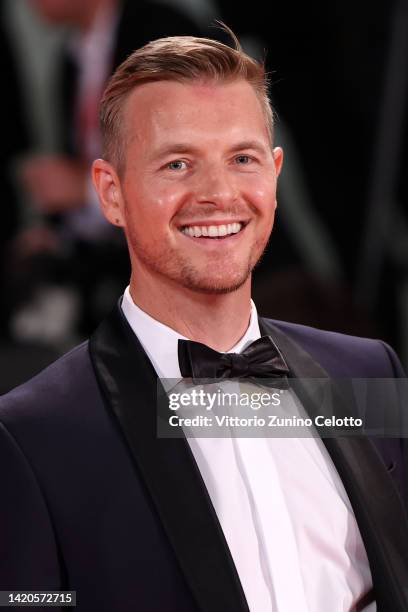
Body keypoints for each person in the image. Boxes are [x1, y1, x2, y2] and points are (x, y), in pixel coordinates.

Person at [0, 30, 407, 612]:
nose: (218, 194)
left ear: (274, 172)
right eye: (177, 163)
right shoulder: (29, 438)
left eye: (241, 159)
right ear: (110, 194)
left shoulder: (368, 373)